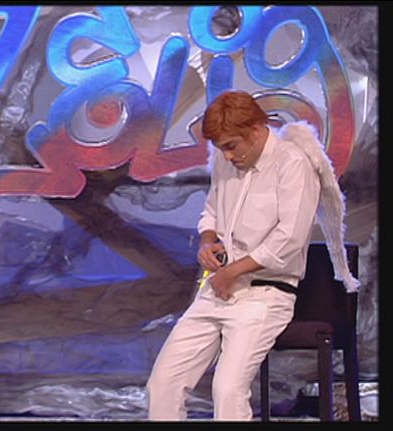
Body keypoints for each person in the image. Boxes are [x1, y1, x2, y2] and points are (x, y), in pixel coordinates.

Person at [145, 90, 358, 420]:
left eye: (232, 146)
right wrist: (207, 242)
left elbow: (289, 239)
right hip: (217, 289)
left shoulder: (293, 163)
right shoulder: (225, 161)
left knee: (228, 389)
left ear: (257, 129)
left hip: (266, 295)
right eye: (221, 149)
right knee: (163, 385)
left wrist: (233, 271)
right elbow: (212, 211)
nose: (227, 156)